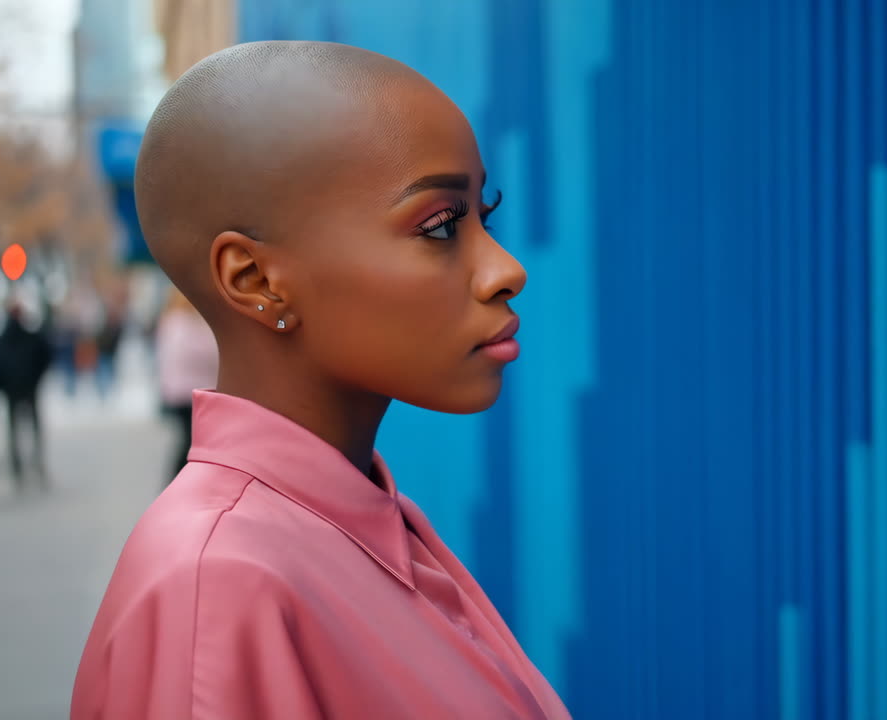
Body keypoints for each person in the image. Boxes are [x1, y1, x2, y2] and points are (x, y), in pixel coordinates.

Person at [71, 42, 569, 719]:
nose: (507, 269)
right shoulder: (219, 590)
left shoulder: (355, 521)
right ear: (257, 281)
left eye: (485, 214)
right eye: (442, 225)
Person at [154, 285, 219, 481]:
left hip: (183, 389)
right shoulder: (181, 322)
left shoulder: (173, 321)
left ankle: (180, 480)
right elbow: (202, 352)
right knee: (191, 440)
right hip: (188, 391)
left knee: (191, 439)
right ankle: (177, 480)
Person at [0, 299, 54, 489]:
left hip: (15, 389)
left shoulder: (2, 339)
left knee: (15, 428)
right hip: (28, 388)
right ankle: (33, 461)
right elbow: (45, 356)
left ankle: (18, 462)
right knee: (31, 427)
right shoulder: (29, 336)